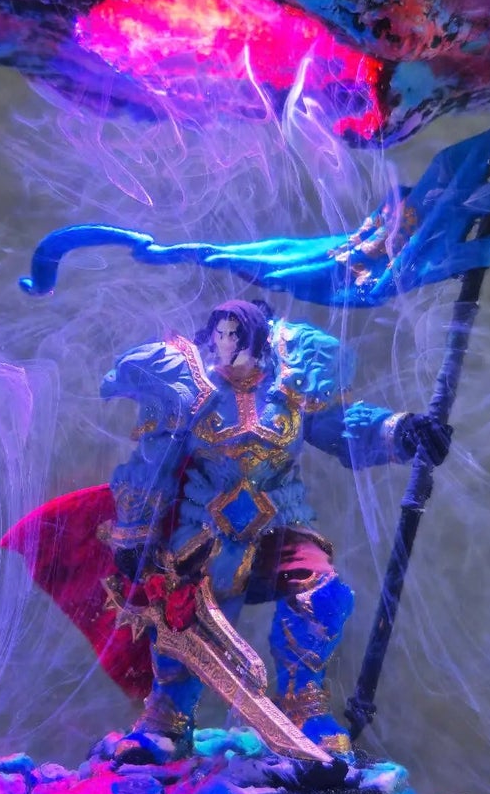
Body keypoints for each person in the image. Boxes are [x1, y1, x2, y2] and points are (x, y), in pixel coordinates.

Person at [103, 298, 449, 763]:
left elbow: (340, 427)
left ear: (257, 339)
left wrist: (401, 431)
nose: (226, 345)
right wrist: (134, 534)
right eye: (219, 335)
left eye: (236, 336)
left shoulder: (293, 379)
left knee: (322, 595)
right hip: (204, 524)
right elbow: (153, 464)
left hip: (280, 518)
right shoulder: (186, 383)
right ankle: (167, 718)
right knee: (181, 610)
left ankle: (304, 707)